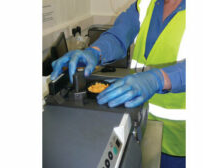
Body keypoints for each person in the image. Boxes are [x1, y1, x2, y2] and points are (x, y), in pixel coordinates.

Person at [50, 0, 186, 167]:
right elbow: (119, 35)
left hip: (179, 141)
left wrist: (159, 79)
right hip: (139, 124)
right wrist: (95, 52)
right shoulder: (146, 3)